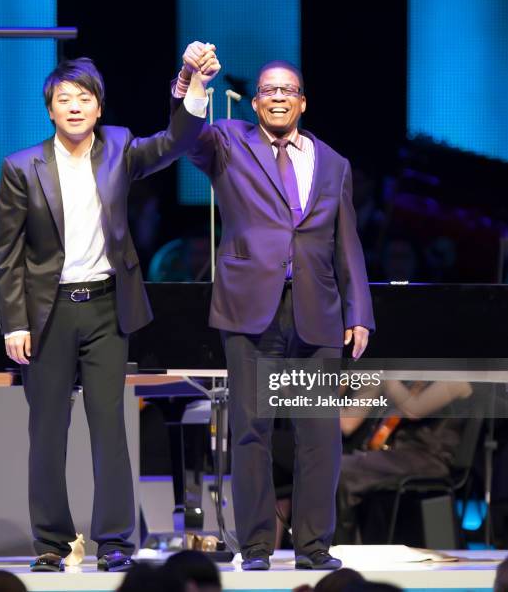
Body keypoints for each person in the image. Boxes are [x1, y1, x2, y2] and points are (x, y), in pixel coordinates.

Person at [0, 53, 219, 572]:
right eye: (63, 100)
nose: (74, 107)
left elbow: (174, 143)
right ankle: (51, 542)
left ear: (99, 107)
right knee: (47, 430)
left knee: (109, 426)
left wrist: (195, 88)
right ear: (49, 110)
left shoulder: (118, 147)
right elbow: (6, 254)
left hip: (104, 307)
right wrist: (15, 322)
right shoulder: (20, 167)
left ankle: (115, 541)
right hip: (47, 313)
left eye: (84, 98)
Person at [174, 45, 375, 570]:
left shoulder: (333, 162)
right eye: (268, 90)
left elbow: (345, 240)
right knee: (251, 429)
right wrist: (193, 80)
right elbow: (183, 137)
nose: (278, 97)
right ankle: (258, 545)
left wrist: (359, 312)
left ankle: (314, 546)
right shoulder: (228, 142)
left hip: (318, 312)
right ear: (256, 102)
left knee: (319, 435)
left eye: (288, 90)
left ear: (303, 102)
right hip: (249, 308)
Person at [335, 379, 473, 544]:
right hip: (399, 455)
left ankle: (346, 545)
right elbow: (349, 422)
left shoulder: (459, 378)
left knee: (340, 469)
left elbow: (415, 410)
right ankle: (349, 542)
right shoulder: (417, 379)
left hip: (429, 457)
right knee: (333, 465)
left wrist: (385, 374)